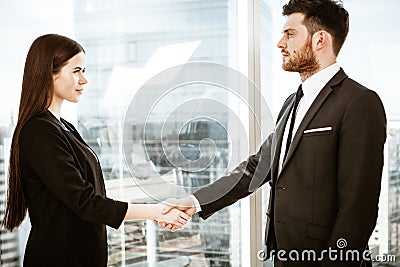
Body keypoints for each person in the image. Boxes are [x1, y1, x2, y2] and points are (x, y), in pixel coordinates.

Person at [159, 0, 387, 266]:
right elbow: (257, 167)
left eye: (290, 34)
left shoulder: (359, 102)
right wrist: (195, 201)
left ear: (320, 40)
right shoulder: (292, 102)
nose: (280, 43)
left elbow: (358, 210)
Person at [2, 34, 189, 267]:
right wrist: (156, 212)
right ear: (48, 72)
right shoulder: (38, 131)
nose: (84, 80)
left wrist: (156, 209)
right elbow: (84, 202)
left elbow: (92, 194)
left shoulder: (63, 127)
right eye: (76, 71)